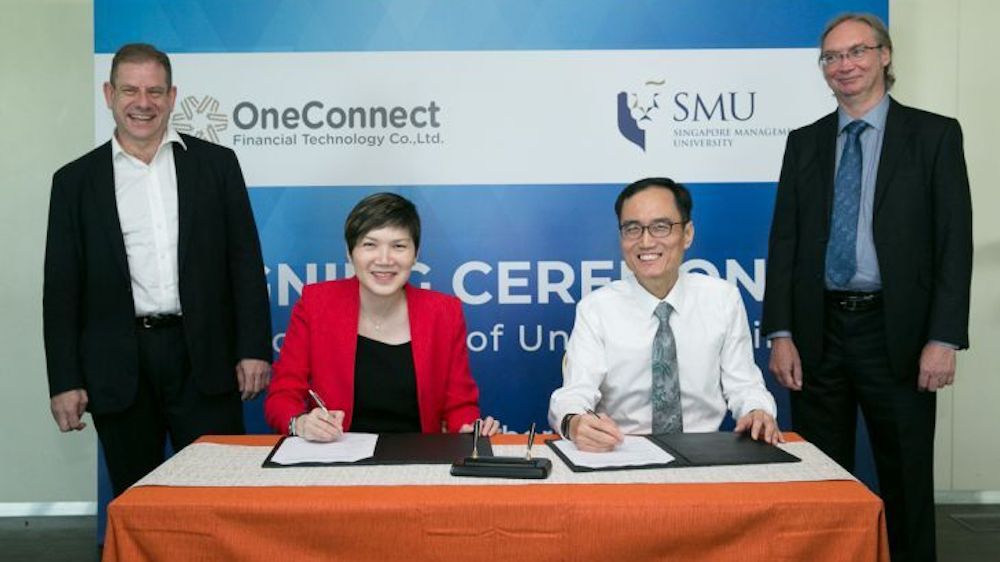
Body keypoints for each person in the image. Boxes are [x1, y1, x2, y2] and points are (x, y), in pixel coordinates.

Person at [762, 13, 972, 562]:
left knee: (905, 478)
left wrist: (943, 338)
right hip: (817, 334)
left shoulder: (934, 136)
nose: (844, 66)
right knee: (823, 478)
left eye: (856, 52)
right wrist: (781, 332)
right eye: (831, 57)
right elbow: (784, 242)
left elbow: (955, 245)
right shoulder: (803, 143)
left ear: (884, 55)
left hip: (897, 335)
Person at [43, 43, 272, 496]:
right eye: (129, 90)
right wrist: (65, 381)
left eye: (154, 91)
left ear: (172, 96)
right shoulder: (74, 183)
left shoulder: (216, 166)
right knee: (138, 500)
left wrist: (253, 348)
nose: (142, 103)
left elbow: (244, 263)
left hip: (205, 359)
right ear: (108, 94)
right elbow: (61, 290)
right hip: (118, 367)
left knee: (221, 494)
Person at [549, 178, 781, 452]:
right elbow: (575, 393)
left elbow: (745, 385)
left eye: (661, 227)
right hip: (621, 452)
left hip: (704, 452)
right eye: (632, 229)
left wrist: (757, 411)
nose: (646, 242)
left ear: (687, 234)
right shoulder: (596, 308)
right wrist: (575, 422)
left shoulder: (722, 299)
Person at [264, 193, 499, 440]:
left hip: (418, 461)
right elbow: (282, 394)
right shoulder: (316, 304)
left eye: (398, 246)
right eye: (370, 245)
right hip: (335, 460)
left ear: (416, 254)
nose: (384, 260)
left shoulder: (444, 312)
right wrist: (300, 423)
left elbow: (460, 406)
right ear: (349, 252)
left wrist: (467, 428)